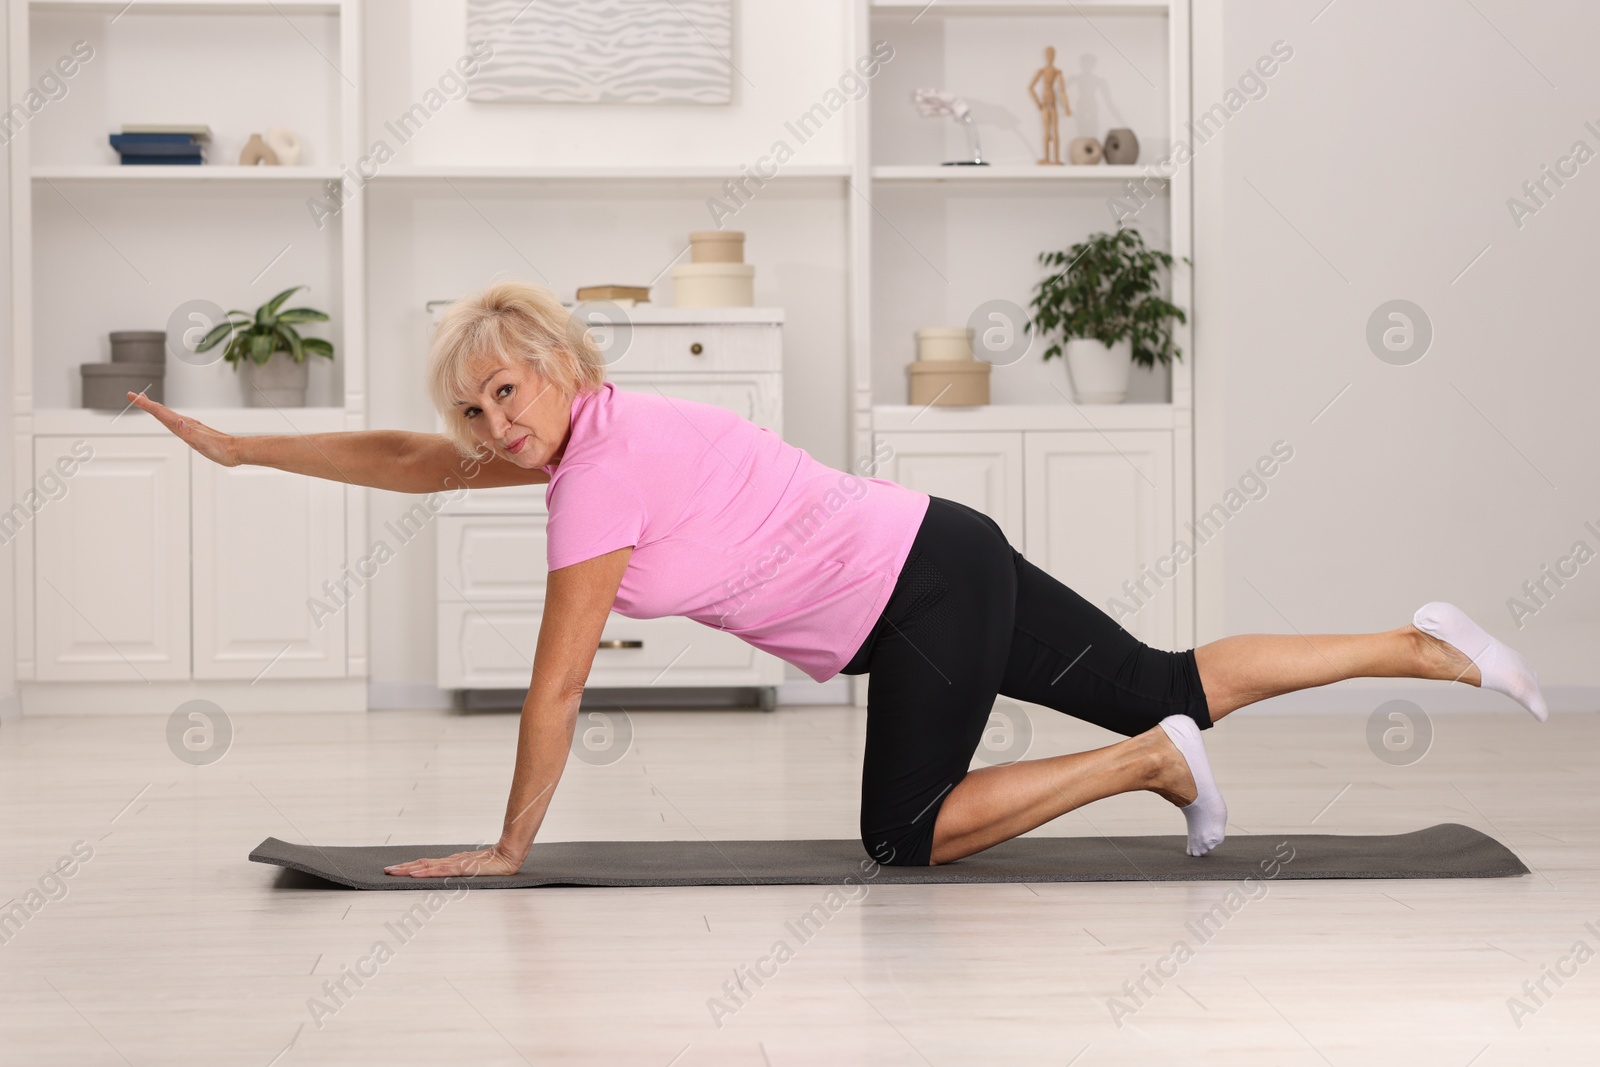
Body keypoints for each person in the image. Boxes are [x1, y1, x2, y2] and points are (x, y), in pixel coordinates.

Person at [128, 281, 1549, 876]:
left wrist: (512, 850)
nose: (495, 429)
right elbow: (411, 458)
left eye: (508, 394)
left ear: (560, 365)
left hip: (917, 593)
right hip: (945, 550)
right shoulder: (601, 438)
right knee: (1171, 673)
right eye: (480, 413)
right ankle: (1421, 645)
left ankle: (1145, 768)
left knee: (905, 837)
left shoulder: (596, 476)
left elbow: (556, 685)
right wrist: (246, 450)